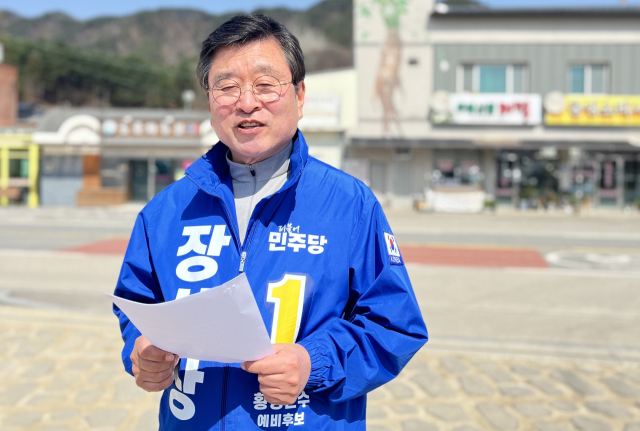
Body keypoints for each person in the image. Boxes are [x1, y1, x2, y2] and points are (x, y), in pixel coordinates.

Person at [114, 14, 428, 430]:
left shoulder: (351, 205)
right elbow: (136, 307)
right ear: (209, 100)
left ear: (300, 95)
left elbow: (395, 326)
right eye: (227, 86)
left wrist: (312, 361)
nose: (246, 103)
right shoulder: (166, 210)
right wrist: (140, 353)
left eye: (265, 84)